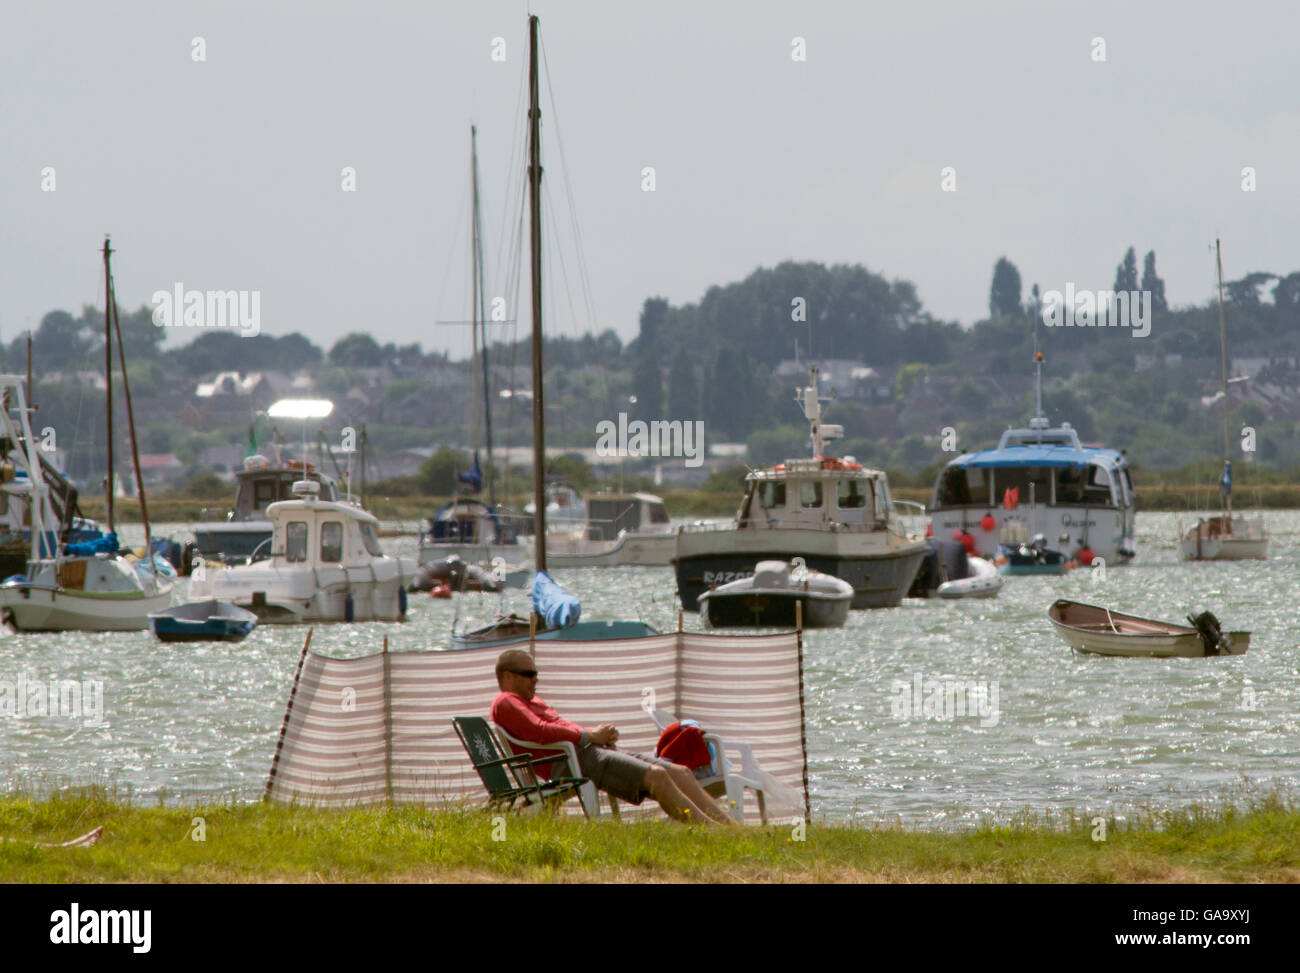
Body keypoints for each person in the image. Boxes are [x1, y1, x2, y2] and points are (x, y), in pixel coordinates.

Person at [489, 648, 735, 825]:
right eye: (528, 673)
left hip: (583, 753)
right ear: (508, 676)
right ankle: (714, 833)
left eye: (536, 673)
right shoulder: (507, 701)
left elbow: (554, 728)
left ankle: (733, 829)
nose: (536, 679)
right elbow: (539, 731)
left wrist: (597, 736)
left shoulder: (527, 700)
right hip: (571, 762)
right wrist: (589, 736)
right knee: (657, 777)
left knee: (680, 771)